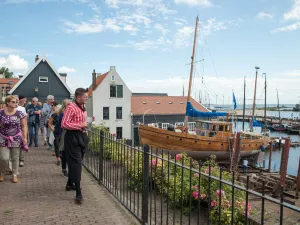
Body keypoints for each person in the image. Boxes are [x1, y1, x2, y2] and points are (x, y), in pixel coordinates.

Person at [62, 88, 90, 204]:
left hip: (81, 136)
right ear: (78, 97)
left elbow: (82, 122)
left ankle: (69, 184)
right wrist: (80, 125)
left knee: (76, 162)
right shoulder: (71, 107)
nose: (87, 98)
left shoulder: (83, 107)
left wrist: (85, 129)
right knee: (77, 163)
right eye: (85, 97)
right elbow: (64, 123)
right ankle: (78, 193)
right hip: (73, 137)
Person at [0, 95, 28, 183]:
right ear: (7, 103)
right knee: (3, 157)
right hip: (3, 137)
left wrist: (25, 137)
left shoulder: (19, 113)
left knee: (15, 157)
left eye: (16, 101)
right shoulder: (1, 113)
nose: (15, 103)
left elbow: (24, 126)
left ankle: (14, 174)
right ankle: (2, 172)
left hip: (16, 137)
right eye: (13, 102)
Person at [58, 99, 72, 177]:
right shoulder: (62, 114)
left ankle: (67, 168)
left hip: (70, 134)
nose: (70, 106)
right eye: (68, 104)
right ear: (65, 106)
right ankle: (64, 169)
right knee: (64, 152)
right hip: (64, 134)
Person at [17, 95, 28, 167]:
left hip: (21, 128)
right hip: (10, 130)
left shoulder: (22, 109)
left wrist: (25, 133)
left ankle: (21, 160)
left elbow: (24, 121)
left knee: (22, 143)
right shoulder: (4, 109)